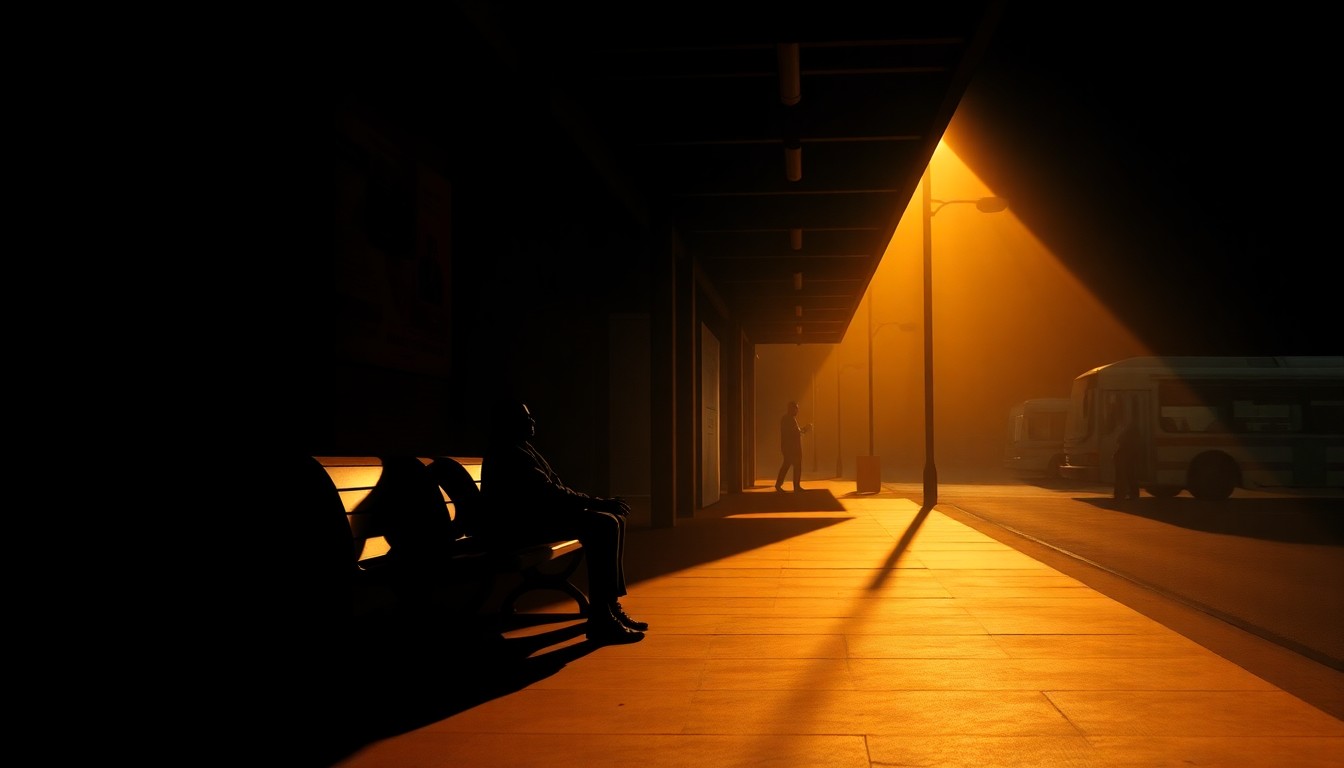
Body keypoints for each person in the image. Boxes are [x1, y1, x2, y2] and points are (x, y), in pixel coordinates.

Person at [480, 398, 647, 644]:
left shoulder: (521, 447)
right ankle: (601, 618)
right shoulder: (511, 452)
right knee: (604, 524)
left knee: (612, 520)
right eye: (526, 418)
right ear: (510, 423)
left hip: (531, 519)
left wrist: (596, 503)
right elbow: (549, 493)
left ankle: (610, 606)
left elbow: (552, 490)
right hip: (518, 528)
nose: (532, 421)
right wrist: (596, 502)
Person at [774, 400, 812, 492]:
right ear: (792, 409)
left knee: (786, 465)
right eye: (796, 409)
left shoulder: (786, 419)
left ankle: (779, 484)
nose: (797, 411)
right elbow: (796, 432)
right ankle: (796, 486)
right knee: (796, 466)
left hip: (788, 448)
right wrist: (806, 429)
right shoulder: (790, 420)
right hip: (792, 449)